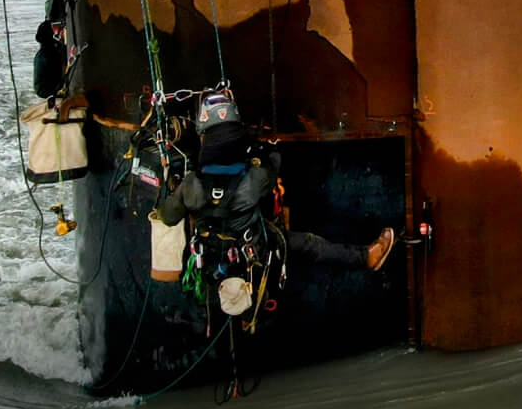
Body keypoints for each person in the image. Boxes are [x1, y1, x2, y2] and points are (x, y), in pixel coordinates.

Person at [157, 89, 396, 286]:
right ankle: (366, 258)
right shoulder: (254, 178)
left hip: (207, 261)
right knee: (309, 244)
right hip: (253, 254)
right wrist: (268, 151)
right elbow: (274, 166)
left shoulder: (190, 185)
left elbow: (166, 217)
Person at [32, 19, 70, 108]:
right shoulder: (49, 54)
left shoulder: (44, 51)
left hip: (44, 88)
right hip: (47, 91)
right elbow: (59, 75)